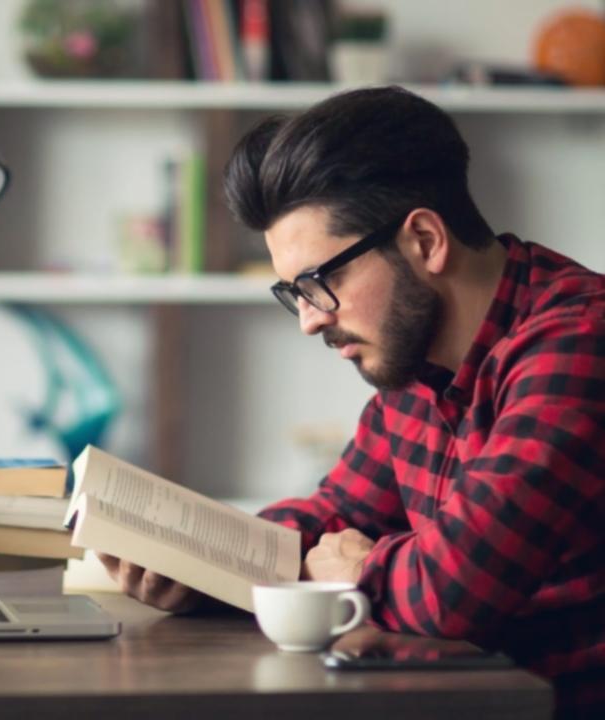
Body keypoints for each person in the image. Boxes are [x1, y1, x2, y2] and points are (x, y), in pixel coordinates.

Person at [98, 86, 604, 719]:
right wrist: (200, 566)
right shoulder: (415, 371)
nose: (309, 321)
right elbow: (333, 516)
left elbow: (451, 591)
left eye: (320, 283)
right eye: (293, 292)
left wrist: (358, 570)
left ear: (423, 240)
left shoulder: (580, 344)